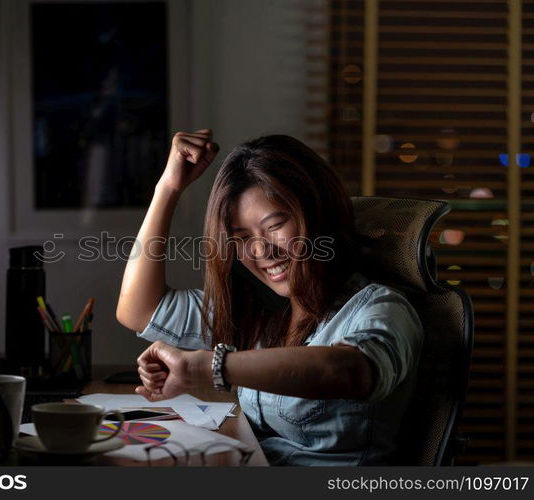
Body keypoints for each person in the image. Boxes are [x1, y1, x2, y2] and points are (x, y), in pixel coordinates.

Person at [116, 129, 423, 466]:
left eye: (275, 224)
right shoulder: (261, 313)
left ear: (319, 212)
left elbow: (350, 370)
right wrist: (168, 188)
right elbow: (139, 310)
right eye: (242, 237)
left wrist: (207, 367)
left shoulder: (382, 308)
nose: (262, 251)